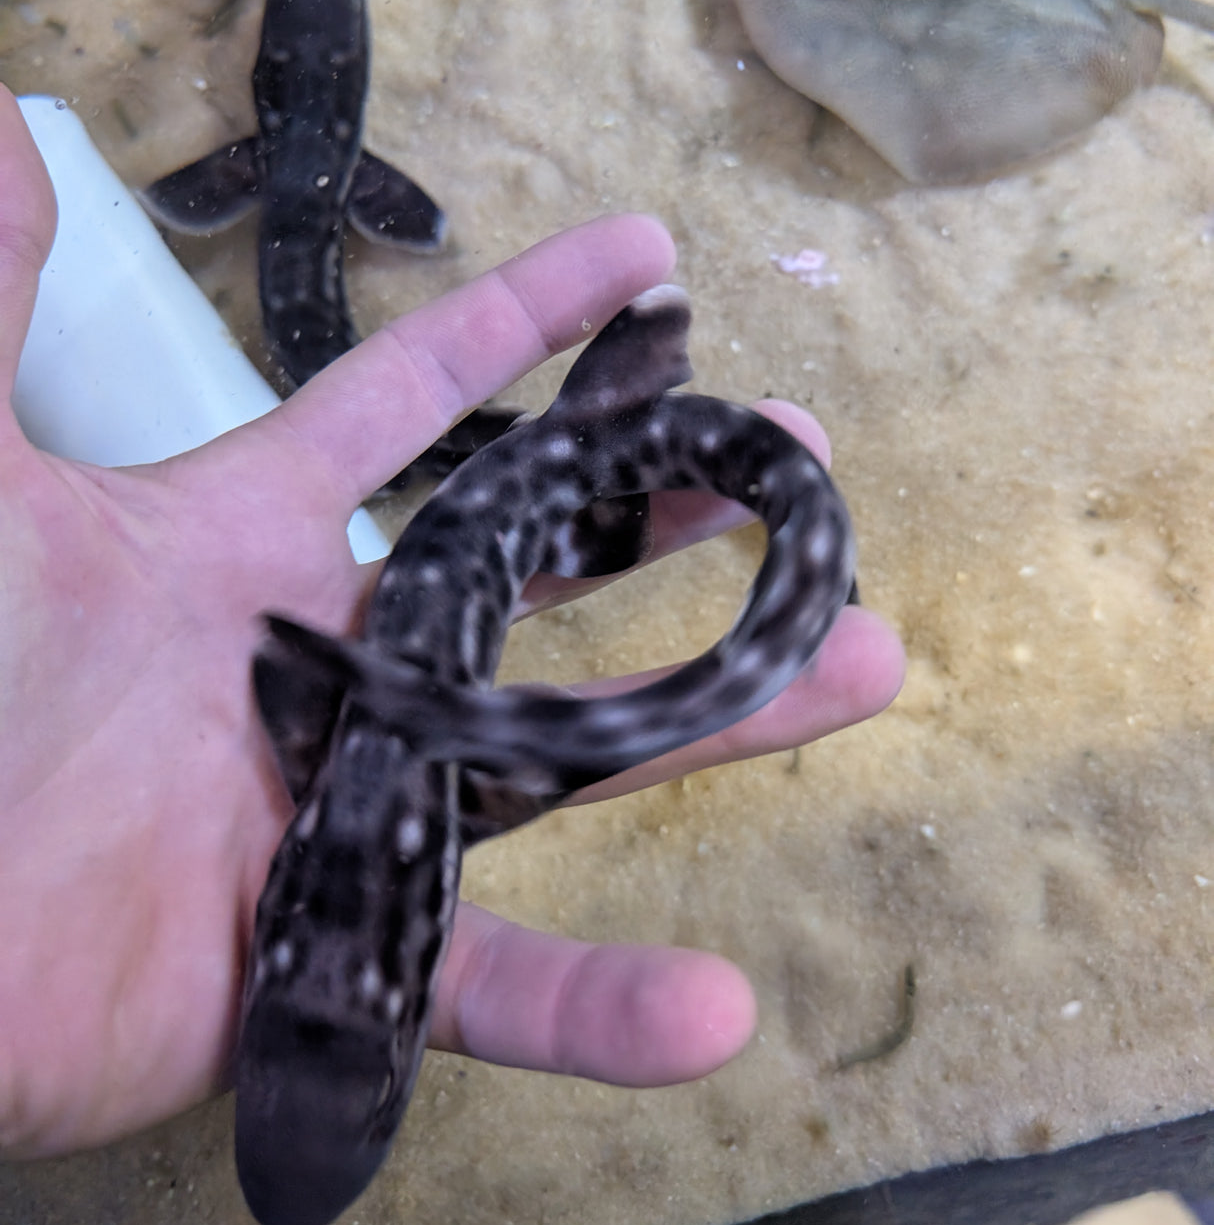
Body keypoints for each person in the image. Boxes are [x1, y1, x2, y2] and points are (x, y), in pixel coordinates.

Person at [0, 85, 904, 1161]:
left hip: (512, 526)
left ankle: (690, 482)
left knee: (649, 591)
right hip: (496, 534)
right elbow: (304, 691)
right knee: (627, 608)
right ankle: (682, 481)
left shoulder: (397, 779)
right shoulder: (323, 762)